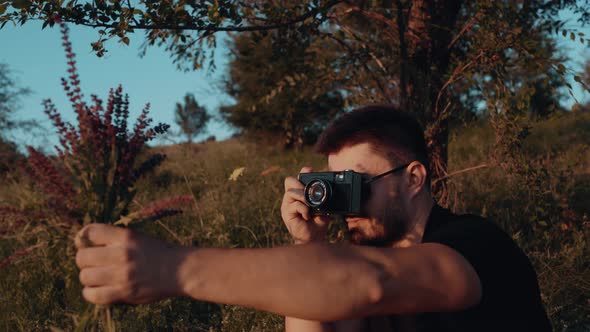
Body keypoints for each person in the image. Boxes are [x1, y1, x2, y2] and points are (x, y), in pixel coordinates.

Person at [74, 105, 552, 332]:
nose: (345, 203)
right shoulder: (349, 269)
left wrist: (173, 269)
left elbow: (372, 284)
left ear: (413, 178)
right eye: (336, 187)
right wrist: (311, 248)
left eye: (358, 184)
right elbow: (330, 301)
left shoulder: (476, 243)